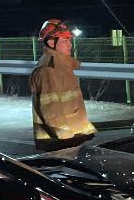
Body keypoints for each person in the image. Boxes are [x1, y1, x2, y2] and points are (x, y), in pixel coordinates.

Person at [29, 19, 97, 151]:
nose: (70, 45)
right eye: (65, 41)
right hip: (59, 143)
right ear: (50, 42)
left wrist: (84, 131)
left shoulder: (62, 67)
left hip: (70, 139)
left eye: (69, 40)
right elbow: (51, 112)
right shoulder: (48, 70)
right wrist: (67, 138)